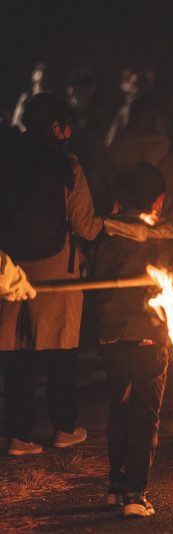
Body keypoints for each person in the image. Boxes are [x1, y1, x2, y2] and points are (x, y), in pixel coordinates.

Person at [0, 93, 105, 456]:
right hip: (58, 268)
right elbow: (85, 226)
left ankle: (19, 436)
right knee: (60, 350)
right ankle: (64, 427)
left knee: (17, 356)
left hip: (10, 270)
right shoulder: (68, 167)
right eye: (67, 125)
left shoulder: (7, 161)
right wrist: (115, 224)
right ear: (56, 127)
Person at [91, 162, 173, 518]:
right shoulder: (167, 237)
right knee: (145, 410)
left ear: (119, 199)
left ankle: (115, 487)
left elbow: (95, 287)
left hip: (111, 335)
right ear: (159, 201)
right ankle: (135, 492)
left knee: (119, 403)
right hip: (149, 335)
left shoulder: (105, 235)